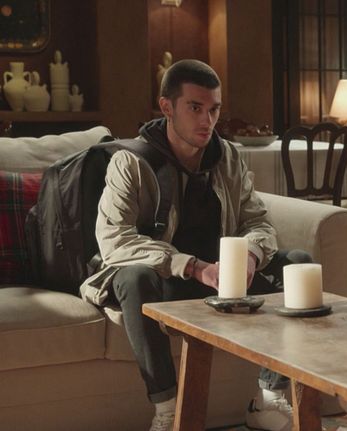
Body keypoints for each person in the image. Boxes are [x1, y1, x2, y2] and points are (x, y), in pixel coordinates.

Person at [81, 59, 304, 431]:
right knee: (133, 278)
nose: (207, 121)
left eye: (214, 109)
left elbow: (258, 221)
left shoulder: (228, 156)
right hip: (165, 281)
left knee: (297, 263)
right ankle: (168, 411)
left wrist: (251, 255)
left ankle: (267, 399)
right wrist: (193, 267)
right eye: (195, 108)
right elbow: (115, 239)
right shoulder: (129, 161)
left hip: (222, 281)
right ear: (167, 107)